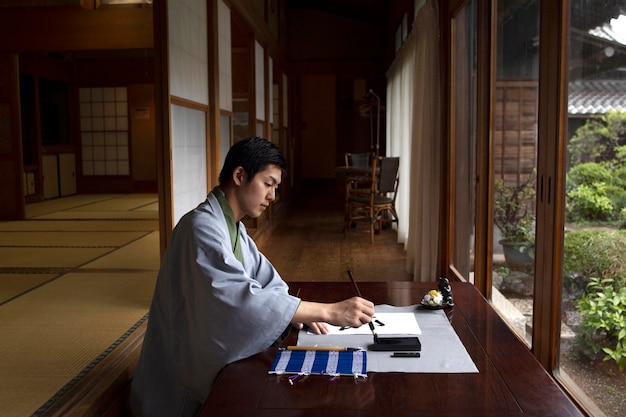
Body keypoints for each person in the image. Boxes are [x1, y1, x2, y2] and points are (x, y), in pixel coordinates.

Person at [130, 137, 375, 417]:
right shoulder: (201, 228)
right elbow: (241, 299)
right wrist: (329, 311)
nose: (272, 195)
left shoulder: (233, 228)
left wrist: (299, 315)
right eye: (268, 184)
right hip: (180, 377)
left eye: (275, 187)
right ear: (239, 175)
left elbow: (268, 282)